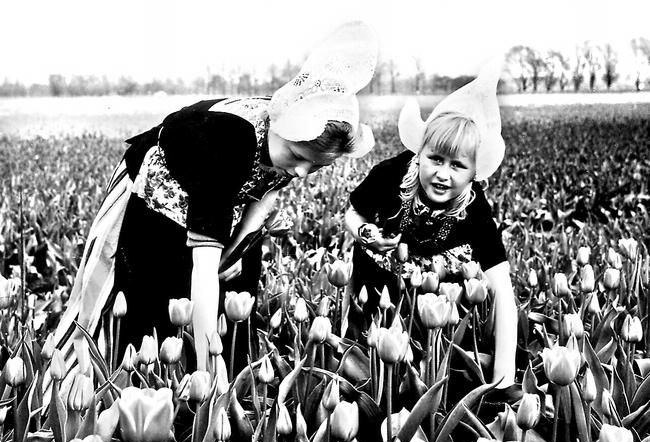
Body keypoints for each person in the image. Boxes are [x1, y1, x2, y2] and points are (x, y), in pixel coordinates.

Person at [51, 21, 378, 382]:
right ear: (280, 130)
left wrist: (234, 250)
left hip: (229, 190)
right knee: (153, 293)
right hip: (160, 194)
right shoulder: (227, 144)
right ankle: (138, 379)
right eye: (298, 157)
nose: (302, 172)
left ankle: (231, 373)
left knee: (240, 279)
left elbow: (265, 193)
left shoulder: (297, 134)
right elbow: (204, 272)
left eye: (317, 165)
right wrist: (210, 375)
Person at [344, 60, 517, 387]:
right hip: (376, 289)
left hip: (434, 308)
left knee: (438, 366)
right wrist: (365, 234)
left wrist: (503, 381)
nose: (442, 173)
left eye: (457, 165)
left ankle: (429, 370)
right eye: (436, 158)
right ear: (419, 153)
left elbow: (502, 289)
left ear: (474, 173)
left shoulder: (475, 207)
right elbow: (353, 214)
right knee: (364, 357)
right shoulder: (390, 173)